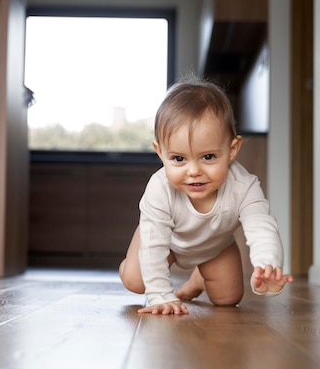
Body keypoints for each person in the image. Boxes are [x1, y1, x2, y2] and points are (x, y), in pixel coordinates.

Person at [119, 76, 293, 315]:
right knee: (135, 280)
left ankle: (199, 279)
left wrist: (267, 266)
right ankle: (128, 265)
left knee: (228, 298)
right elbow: (154, 245)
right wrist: (161, 296)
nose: (194, 171)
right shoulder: (159, 188)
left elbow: (261, 227)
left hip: (215, 247)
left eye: (208, 157)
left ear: (232, 150)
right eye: (179, 159)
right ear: (160, 152)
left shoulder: (244, 186)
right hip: (164, 241)